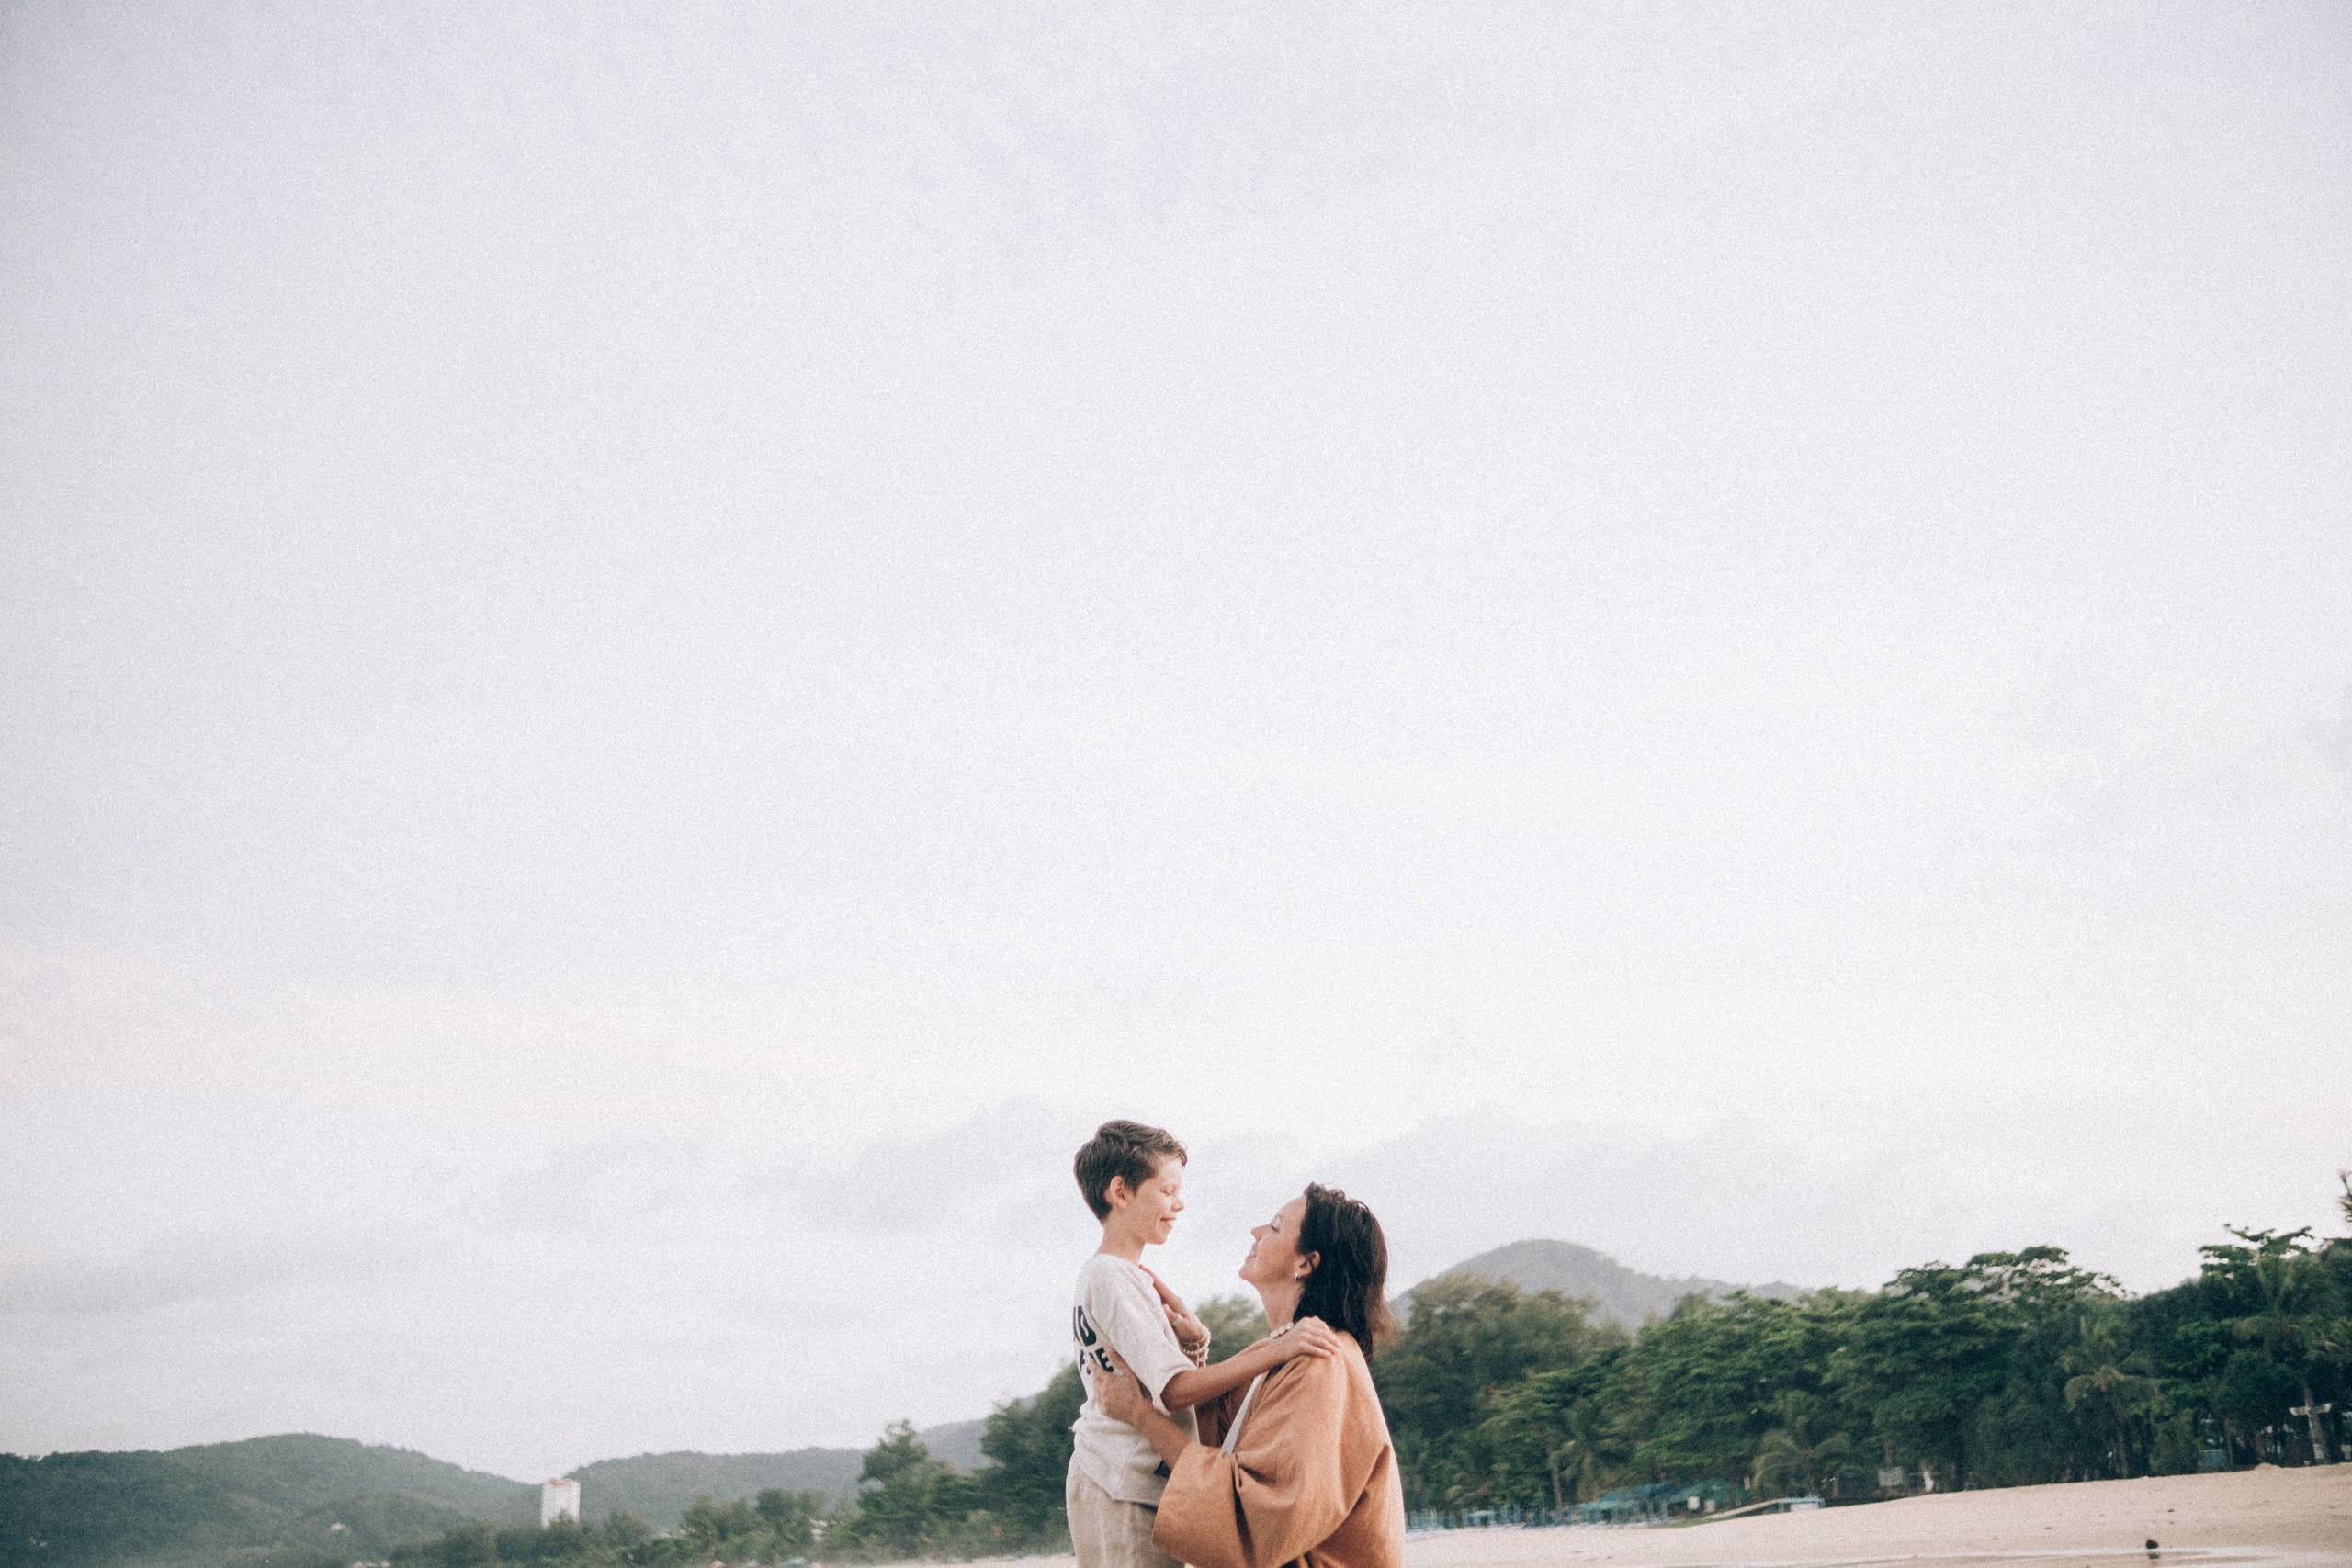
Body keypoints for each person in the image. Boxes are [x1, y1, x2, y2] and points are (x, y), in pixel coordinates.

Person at [1067, 1122, 1343, 1568]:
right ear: (1120, 1192)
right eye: (1167, 1190)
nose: (1179, 1203)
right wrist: (1278, 1349)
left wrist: (1193, 1352)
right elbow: (1173, 1390)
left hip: (1121, 1477)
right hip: (1121, 1480)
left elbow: (1159, 1381)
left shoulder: (1115, 1275)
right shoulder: (1112, 1276)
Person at [1095, 1183, 1407, 1568]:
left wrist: (1141, 1414)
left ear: (1306, 1263)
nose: (1256, 1232)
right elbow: (1217, 1449)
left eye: (1275, 1228)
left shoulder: (1322, 1360)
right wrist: (1194, 1353)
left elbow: (1253, 1513)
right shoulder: (1284, 1353)